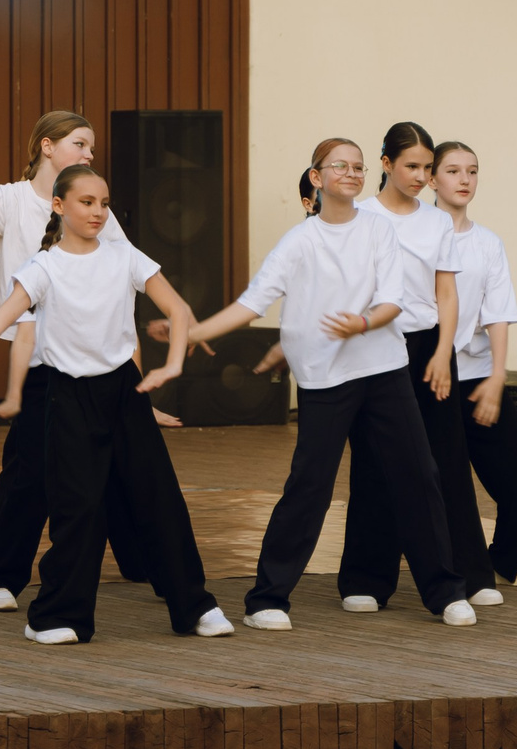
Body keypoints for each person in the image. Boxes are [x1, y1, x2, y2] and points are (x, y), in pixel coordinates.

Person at [0, 166, 231, 644]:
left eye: (103, 203)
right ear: (59, 206)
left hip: (124, 393)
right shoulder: (43, 267)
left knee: (159, 499)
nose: (98, 212)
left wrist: (171, 366)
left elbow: (178, 310)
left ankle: (195, 607)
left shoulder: (126, 257)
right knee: (78, 509)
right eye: (86, 202)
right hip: (68, 395)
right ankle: (59, 616)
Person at [183, 137, 475, 628]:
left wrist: (361, 324)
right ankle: (267, 600)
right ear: (316, 178)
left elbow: (392, 300)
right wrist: (194, 331)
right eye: (340, 166)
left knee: (418, 475)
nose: (352, 173)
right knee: (310, 485)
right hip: (324, 378)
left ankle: (444, 590)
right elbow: (253, 302)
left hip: (383, 369)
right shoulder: (300, 242)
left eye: (358, 166)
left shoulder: (379, 231)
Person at [0, 110, 172, 614]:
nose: (89, 153)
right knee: (32, 471)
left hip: (102, 367)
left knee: (126, 470)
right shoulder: (7, 200)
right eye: (79, 143)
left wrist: (138, 385)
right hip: (41, 362)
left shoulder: (99, 215)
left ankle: (158, 570)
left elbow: (124, 293)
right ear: (47, 147)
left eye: (90, 147)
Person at [337, 123, 498, 611]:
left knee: (446, 460)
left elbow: (445, 293)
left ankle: (470, 572)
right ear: (385, 165)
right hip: (375, 346)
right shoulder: (359, 215)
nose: (421, 176)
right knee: (374, 460)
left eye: (428, 168)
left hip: (429, 345)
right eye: (412, 166)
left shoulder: (435, 223)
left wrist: (444, 354)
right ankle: (366, 580)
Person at [427, 141, 517, 587]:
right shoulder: (418, 234)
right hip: (427, 375)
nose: (464, 180)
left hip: (474, 374)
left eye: (472, 171)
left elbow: (498, 312)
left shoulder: (488, 243)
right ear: (432, 178)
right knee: (443, 479)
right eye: (453, 171)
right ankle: (445, 568)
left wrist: (497, 375)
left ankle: (508, 556)